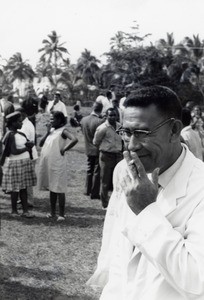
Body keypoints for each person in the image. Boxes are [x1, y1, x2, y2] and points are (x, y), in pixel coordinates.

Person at [88, 85, 204, 299]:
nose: (131, 146)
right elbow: (115, 246)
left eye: (141, 133)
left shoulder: (200, 189)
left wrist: (147, 212)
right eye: (127, 133)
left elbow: (197, 280)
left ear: (174, 130)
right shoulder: (126, 168)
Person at [38, 111, 78, 221]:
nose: (50, 121)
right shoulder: (51, 131)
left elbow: (74, 139)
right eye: (50, 119)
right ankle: (52, 213)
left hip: (58, 163)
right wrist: (47, 132)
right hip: (49, 163)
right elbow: (40, 144)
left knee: (59, 188)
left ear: (59, 120)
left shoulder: (63, 131)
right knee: (52, 187)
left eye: (53, 119)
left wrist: (64, 149)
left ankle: (61, 214)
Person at [1, 111, 36, 218]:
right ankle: (14, 211)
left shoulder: (20, 134)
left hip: (24, 163)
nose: (21, 123)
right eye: (19, 122)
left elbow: (24, 144)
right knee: (15, 189)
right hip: (15, 163)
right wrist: (27, 148)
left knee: (23, 188)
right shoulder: (10, 135)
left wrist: (29, 144)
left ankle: (25, 211)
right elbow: (14, 151)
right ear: (13, 123)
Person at [93, 108, 123, 209]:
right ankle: (105, 204)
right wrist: (105, 149)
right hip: (106, 156)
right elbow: (96, 142)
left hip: (118, 156)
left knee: (118, 180)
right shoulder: (102, 128)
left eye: (114, 115)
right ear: (106, 116)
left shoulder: (120, 126)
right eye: (110, 115)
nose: (112, 117)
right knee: (105, 181)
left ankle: (117, 203)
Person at [81, 102, 104, 199]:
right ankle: (94, 193)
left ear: (92, 107)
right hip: (98, 149)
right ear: (101, 109)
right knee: (97, 172)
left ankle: (87, 190)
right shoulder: (100, 121)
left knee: (89, 170)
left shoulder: (83, 119)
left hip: (88, 148)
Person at [17, 107, 38, 207]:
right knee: (23, 179)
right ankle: (23, 198)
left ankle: (29, 200)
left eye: (19, 115)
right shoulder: (25, 124)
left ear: (23, 114)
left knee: (28, 179)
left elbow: (25, 142)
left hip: (29, 155)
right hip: (26, 154)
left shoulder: (26, 126)